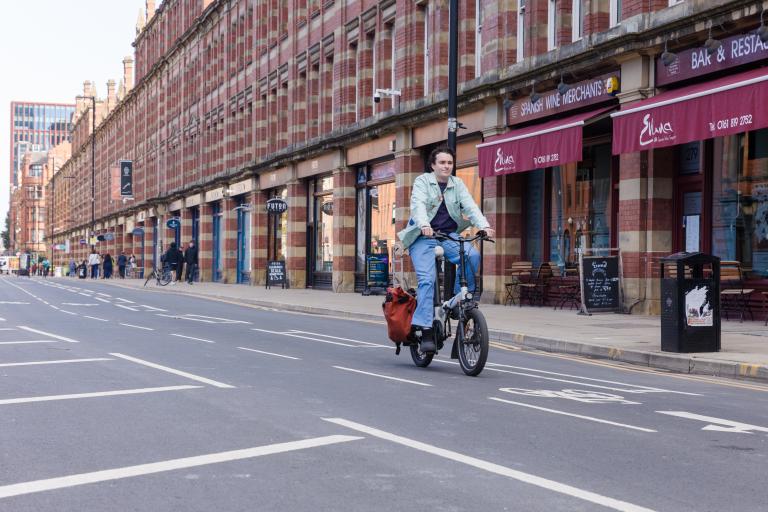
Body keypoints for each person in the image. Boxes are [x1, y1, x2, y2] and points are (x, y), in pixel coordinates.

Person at [397, 147, 495, 354]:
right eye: (442, 163)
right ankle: (425, 329)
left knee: (472, 255)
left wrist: (484, 226)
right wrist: (424, 224)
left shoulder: (457, 184)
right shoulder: (423, 182)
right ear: (433, 165)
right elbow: (418, 205)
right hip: (423, 237)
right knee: (426, 280)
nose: (446, 166)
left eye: (449, 163)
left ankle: (456, 299)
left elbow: (470, 207)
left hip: (448, 235)